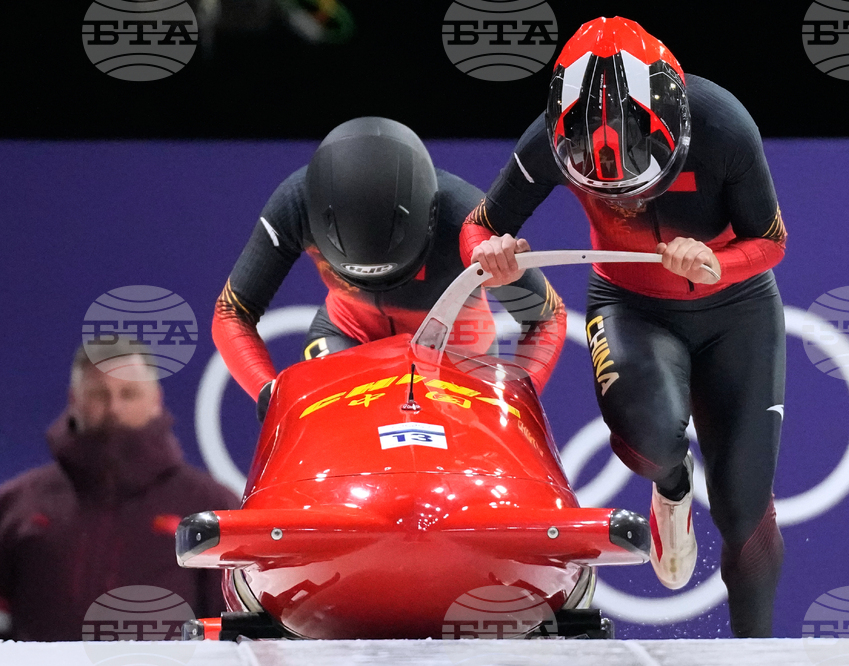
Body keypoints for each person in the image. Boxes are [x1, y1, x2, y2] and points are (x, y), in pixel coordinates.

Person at [461, 17, 787, 637]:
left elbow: (771, 241)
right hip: (630, 304)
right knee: (652, 437)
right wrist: (491, 258)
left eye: (642, 186)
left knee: (744, 506)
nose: (629, 203)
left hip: (736, 309)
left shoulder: (723, 125)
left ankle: (758, 653)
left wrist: (718, 264)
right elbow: (477, 228)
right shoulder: (550, 141)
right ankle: (671, 486)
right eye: (606, 193)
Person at [213, 116, 566, 418]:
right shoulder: (294, 204)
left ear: (430, 220)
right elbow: (232, 312)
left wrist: (518, 400)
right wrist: (268, 393)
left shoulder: (466, 218)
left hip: (455, 349)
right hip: (347, 336)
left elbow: (546, 316)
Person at [0, 341, 239, 641]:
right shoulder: (17, 504)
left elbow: (234, 629)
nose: (114, 407)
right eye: (100, 394)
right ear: (74, 398)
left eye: (128, 393)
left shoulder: (209, 506)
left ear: (156, 399)